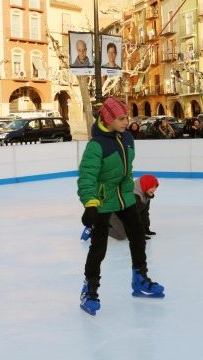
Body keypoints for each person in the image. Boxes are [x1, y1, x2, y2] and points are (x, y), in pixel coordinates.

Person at [77, 97, 164, 316]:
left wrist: (129, 193)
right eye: (122, 118)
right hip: (103, 200)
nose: (127, 121)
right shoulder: (96, 146)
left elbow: (127, 171)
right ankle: (90, 289)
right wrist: (90, 204)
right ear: (108, 119)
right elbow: (87, 177)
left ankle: (140, 280)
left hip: (125, 197)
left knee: (137, 236)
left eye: (127, 117)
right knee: (98, 248)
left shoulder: (127, 138)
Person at [108, 175, 160, 240]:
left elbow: (144, 213)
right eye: (152, 186)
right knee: (121, 235)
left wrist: (146, 229)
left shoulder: (145, 194)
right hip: (113, 213)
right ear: (146, 185)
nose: (154, 189)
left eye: (155, 187)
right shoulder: (134, 195)